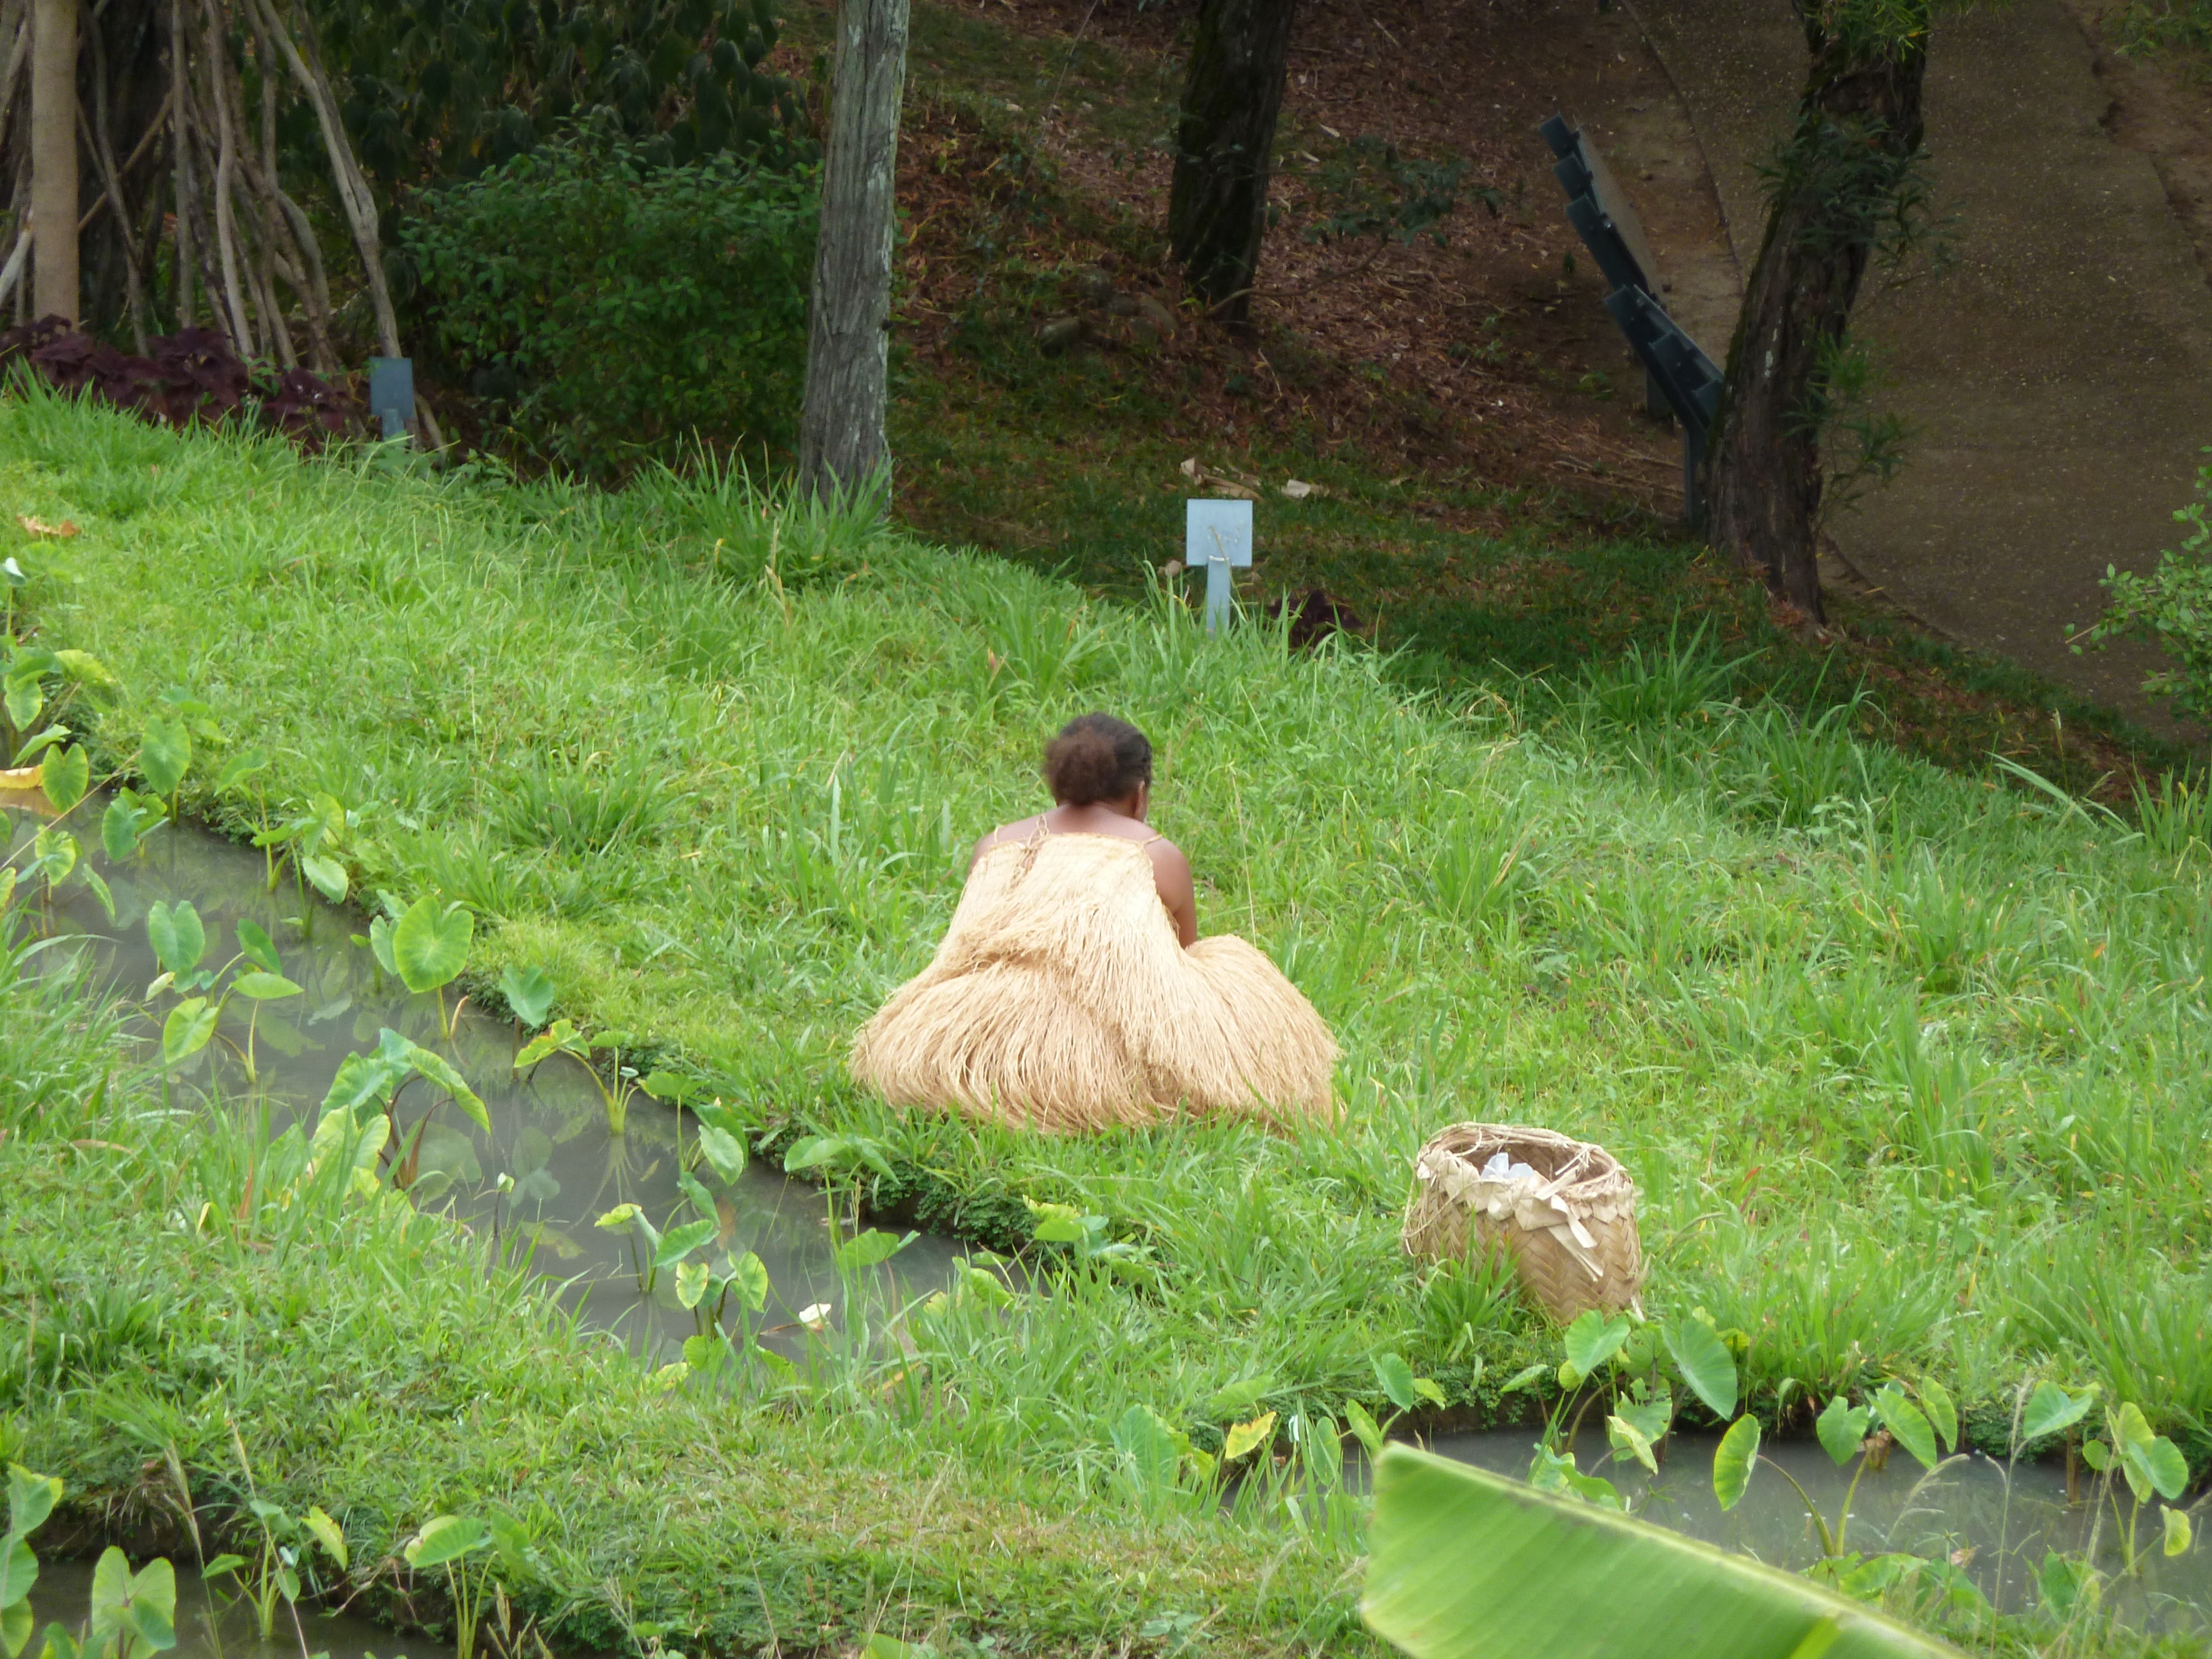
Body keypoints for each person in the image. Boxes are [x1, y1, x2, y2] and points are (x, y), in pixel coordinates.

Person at [848, 714, 1338, 1131]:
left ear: (1056, 784)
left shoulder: (994, 845)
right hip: (1083, 1070)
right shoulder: (1155, 854)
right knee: (1224, 960)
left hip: (951, 1049)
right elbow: (1184, 962)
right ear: (1140, 793)